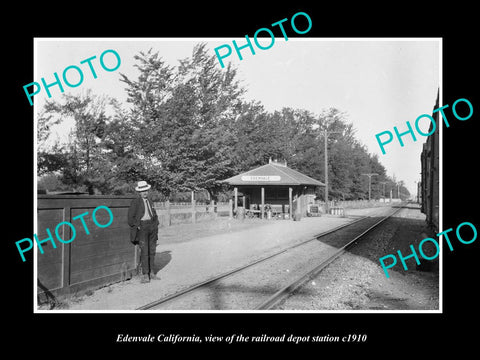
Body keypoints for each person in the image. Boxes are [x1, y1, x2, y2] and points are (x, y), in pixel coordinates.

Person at [127, 180, 160, 283]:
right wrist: (138, 226)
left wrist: (155, 225)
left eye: (146, 190)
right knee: (145, 251)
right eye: (143, 191)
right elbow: (130, 218)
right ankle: (145, 275)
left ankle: (152, 273)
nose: (145, 192)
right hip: (142, 227)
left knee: (152, 250)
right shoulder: (135, 202)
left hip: (152, 227)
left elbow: (154, 214)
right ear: (139, 192)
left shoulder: (150, 201)